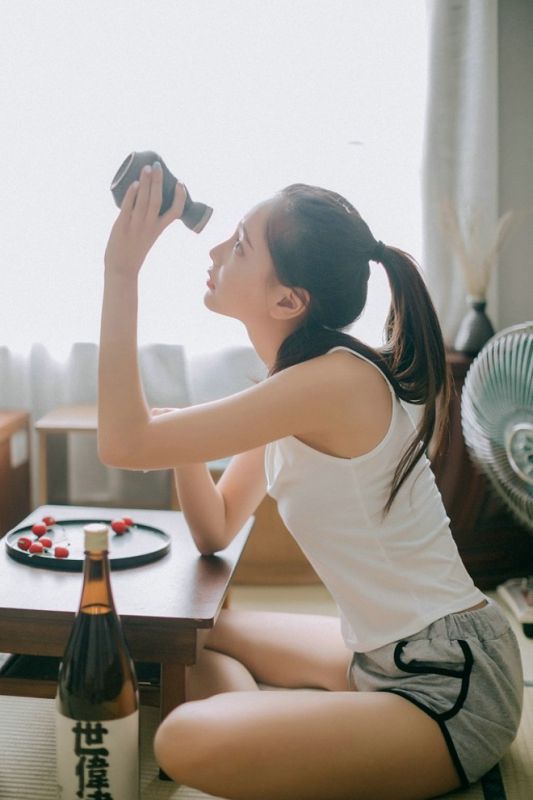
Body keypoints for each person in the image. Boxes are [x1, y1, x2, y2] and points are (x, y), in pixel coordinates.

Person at [99, 162, 523, 800]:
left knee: (180, 739)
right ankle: (267, 739)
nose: (215, 249)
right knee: (185, 637)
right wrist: (187, 440)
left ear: (287, 300)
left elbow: (122, 445)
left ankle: (256, 740)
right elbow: (215, 529)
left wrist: (121, 272)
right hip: (383, 654)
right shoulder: (294, 385)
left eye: (240, 244)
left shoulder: (331, 383)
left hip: (448, 685)